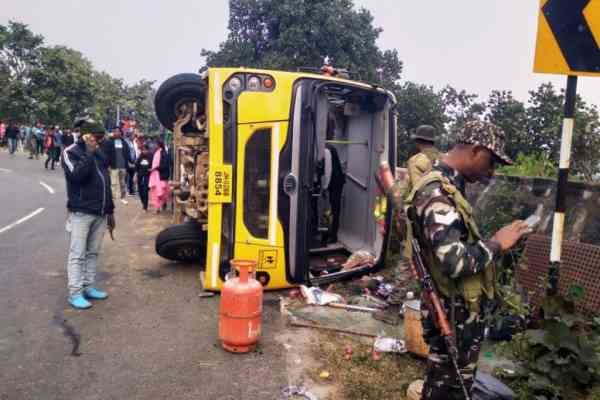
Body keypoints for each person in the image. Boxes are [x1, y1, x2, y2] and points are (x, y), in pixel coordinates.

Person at [402, 121, 529, 399]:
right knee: (447, 387)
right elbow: (454, 262)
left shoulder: (450, 188)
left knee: (451, 386)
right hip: (451, 311)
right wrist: (497, 243)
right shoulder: (437, 193)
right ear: (475, 150)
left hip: (457, 310)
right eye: (491, 161)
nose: (492, 170)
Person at [61, 118, 115, 309]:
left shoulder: (99, 152)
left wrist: (110, 210)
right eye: (96, 136)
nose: (99, 140)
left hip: (100, 212)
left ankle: (88, 286)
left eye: (100, 137)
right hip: (81, 212)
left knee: (93, 252)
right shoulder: (70, 153)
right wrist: (89, 153)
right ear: (85, 135)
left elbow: (105, 182)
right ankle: (75, 293)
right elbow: (77, 177)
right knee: (78, 254)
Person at [101, 127, 132, 204]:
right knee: (113, 183)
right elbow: (106, 154)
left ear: (121, 133)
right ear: (113, 133)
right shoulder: (109, 142)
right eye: (115, 131)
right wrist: (107, 165)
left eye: (118, 131)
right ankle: (112, 198)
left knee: (123, 183)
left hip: (123, 166)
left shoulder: (124, 143)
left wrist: (130, 162)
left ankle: (123, 197)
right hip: (113, 166)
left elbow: (127, 153)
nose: (117, 133)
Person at [149, 140, 171, 213]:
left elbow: (164, 165)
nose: (154, 146)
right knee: (157, 191)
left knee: (161, 191)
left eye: (155, 144)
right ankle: (157, 208)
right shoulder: (156, 153)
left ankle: (161, 204)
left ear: (159, 145)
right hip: (157, 175)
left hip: (161, 175)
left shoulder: (163, 153)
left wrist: (156, 168)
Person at [135, 144, 153, 211]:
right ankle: (143, 202)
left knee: (145, 191)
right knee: (140, 191)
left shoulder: (151, 156)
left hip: (147, 176)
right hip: (140, 176)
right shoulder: (140, 156)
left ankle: (145, 206)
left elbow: (153, 165)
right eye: (143, 150)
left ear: (148, 150)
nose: (144, 151)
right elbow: (136, 166)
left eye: (145, 150)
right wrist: (136, 175)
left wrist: (151, 169)